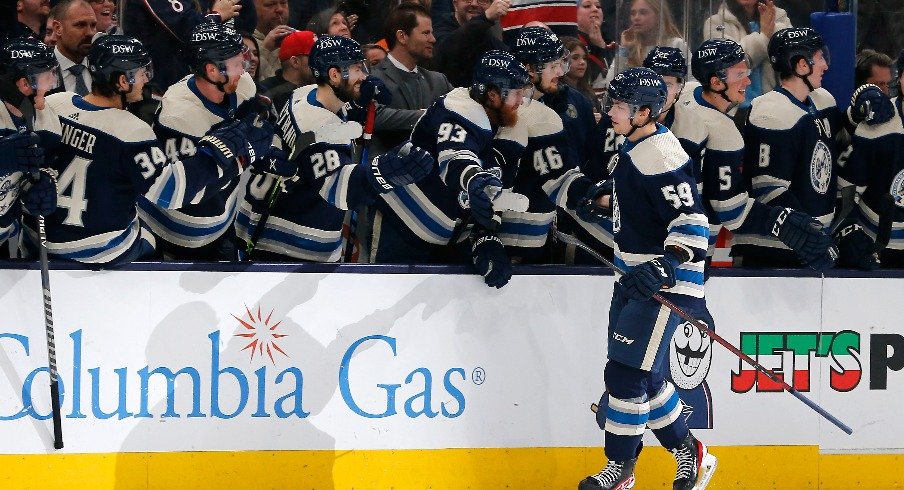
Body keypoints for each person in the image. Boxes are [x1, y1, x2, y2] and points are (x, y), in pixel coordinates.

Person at [578, 67, 716, 490]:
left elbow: (692, 222)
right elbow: (649, 205)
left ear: (645, 111)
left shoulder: (662, 154)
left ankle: (621, 468)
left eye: (619, 106)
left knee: (625, 377)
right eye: (611, 103)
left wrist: (664, 266)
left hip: (664, 283)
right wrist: (611, 200)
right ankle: (689, 451)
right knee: (646, 379)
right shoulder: (635, 146)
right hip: (637, 275)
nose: (610, 112)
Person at [37, 35, 253, 265]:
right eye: (142, 73)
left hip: (40, 240)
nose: (146, 80)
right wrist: (222, 153)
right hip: (102, 250)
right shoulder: (132, 132)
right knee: (150, 238)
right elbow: (171, 193)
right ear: (122, 81)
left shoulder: (56, 103)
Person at [235, 34, 434, 261]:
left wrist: (358, 105)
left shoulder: (305, 94)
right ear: (334, 75)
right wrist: (386, 172)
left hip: (269, 219)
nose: (365, 77)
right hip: (289, 243)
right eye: (358, 69)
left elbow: (338, 122)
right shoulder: (315, 124)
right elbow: (338, 189)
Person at [368, 50, 530, 288]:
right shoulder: (457, 109)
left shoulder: (510, 127)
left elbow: (495, 189)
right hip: (402, 228)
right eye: (517, 93)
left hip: (449, 240)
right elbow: (455, 159)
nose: (521, 101)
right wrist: (474, 180)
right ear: (494, 95)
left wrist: (486, 234)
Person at [680, 39, 836, 271]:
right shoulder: (723, 133)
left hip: (663, 236)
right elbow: (731, 210)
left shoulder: (688, 93)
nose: (748, 81)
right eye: (739, 75)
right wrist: (779, 221)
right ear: (715, 82)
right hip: (688, 250)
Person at [137, 22, 285, 261]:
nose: (244, 69)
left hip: (221, 225)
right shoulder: (178, 114)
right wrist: (245, 155)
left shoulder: (242, 84)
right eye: (238, 64)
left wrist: (269, 150)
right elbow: (187, 192)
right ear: (213, 70)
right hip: (170, 231)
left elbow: (260, 126)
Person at [734, 27, 844, 268]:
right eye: (819, 57)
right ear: (801, 65)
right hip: (771, 248)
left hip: (812, 241)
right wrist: (810, 234)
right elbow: (768, 188)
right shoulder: (770, 111)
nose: (825, 65)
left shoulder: (823, 101)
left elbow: (841, 149)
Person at [503, 27, 610, 262]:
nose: (561, 72)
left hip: (549, 226)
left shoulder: (569, 102)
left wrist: (592, 193)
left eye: (560, 63)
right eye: (553, 66)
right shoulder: (504, 111)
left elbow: (577, 166)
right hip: (509, 235)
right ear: (529, 69)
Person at [834, 50, 904, 269]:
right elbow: (845, 192)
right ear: (900, 78)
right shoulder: (879, 122)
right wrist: (849, 231)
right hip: (877, 249)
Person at [0, 37, 60, 256]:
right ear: (25, 84)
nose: (52, 85)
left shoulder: (46, 119)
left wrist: (40, 183)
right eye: (47, 78)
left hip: (6, 237)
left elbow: (44, 166)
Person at [370, 3, 452, 157]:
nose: (433, 39)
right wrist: (428, 115)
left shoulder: (439, 81)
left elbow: (461, 109)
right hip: (387, 174)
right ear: (402, 36)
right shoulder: (372, 79)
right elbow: (374, 116)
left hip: (434, 174)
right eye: (426, 33)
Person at [121, 0, 251, 90]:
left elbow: (248, 21)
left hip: (187, 83)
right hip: (157, 87)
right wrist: (216, 16)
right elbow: (189, 29)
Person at [702, 0, 789, 107]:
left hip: (775, 104)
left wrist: (772, 29)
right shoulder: (715, 23)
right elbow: (729, 62)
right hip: (735, 108)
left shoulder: (779, 17)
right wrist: (764, 37)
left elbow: (789, 57)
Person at [433, 0, 509, 88]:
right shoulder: (439, 28)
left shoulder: (494, 44)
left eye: (482, 0)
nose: (474, 4)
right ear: (455, 3)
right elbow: (445, 53)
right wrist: (485, 18)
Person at [611, 0, 685, 73]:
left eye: (643, 13)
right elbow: (611, 83)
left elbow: (691, 81)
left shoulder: (676, 45)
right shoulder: (630, 49)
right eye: (633, 13)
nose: (636, 18)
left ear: (659, 16)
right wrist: (623, 49)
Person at [259, 30, 316, 114]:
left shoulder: (322, 89)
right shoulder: (266, 91)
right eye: (315, 57)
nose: (320, 63)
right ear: (295, 62)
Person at [50, 0, 96, 96]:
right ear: (58, 28)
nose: (90, 33)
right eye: (81, 25)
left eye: (93, 25)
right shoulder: (40, 70)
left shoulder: (104, 68)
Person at [252, 0, 289, 80]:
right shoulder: (242, 42)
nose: (280, 9)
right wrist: (265, 49)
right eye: (270, 5)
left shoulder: (296, 39)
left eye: (283, 3)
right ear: (253, 8)